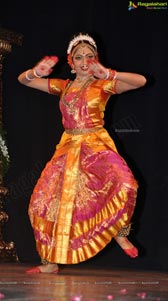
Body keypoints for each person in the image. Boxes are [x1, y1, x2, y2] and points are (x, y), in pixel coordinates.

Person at [18, 33, 147, 273]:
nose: (84, 61)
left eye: (89, 56)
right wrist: (36, 72)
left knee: (127, 184)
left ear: (96, 60)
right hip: (67, 147)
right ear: (71, 62)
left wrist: (109, 74)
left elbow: (140, 81)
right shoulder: (63, 86)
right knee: (42, 202)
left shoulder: (102, 85)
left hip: (95, 144)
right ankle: (50, 261)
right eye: (79, 57)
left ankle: (120, 232)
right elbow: (23, 81)